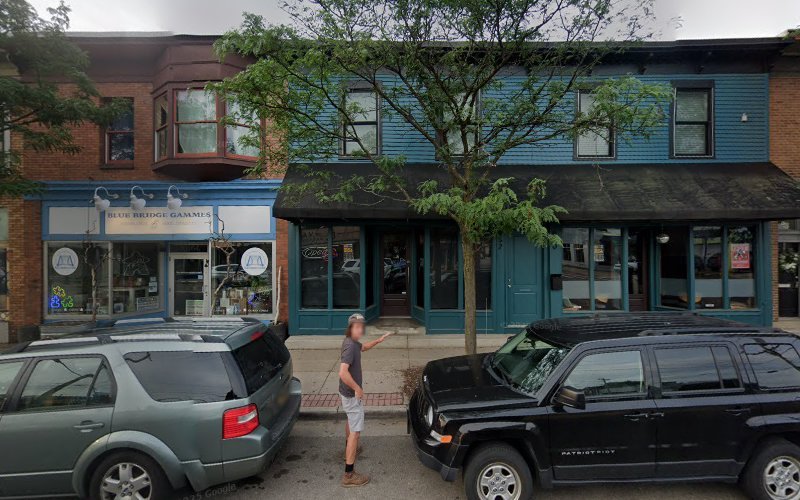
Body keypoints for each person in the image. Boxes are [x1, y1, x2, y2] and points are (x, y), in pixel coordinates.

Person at [339, 313, 394, 487]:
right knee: (356, 432)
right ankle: (349, 475)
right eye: (357, 327)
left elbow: (363, 347)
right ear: (350, 328)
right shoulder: (350, 346)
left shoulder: (353, 342)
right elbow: (343, 372)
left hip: (346, 393)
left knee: (350, 420)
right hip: (351, 395)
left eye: (361, 326)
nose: (360, 329)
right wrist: (357, 388)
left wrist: (379, 340)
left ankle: (348, 449)